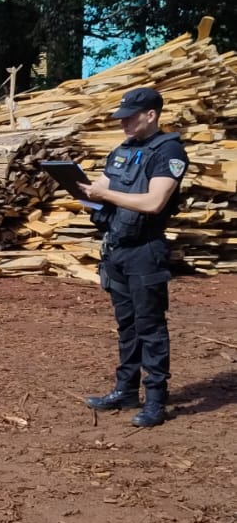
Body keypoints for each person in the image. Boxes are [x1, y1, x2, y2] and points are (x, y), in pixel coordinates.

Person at [80, 87, 188, 429]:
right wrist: (83, 192)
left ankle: (156, 399)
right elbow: (101, 189)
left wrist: (104, 193)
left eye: (129, 117)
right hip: (117, 248)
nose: (122, 123)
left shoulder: (169, 152)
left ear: (151, 115)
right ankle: (125, 390)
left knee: (150, 327)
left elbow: (153, 202)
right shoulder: (123, 151)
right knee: (127, 327)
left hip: (145, 251)